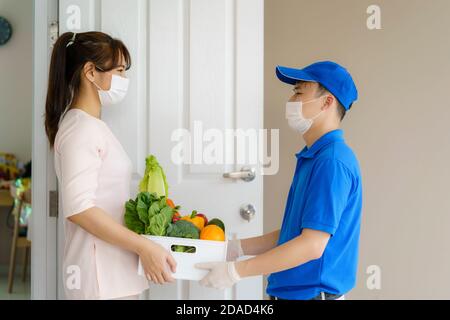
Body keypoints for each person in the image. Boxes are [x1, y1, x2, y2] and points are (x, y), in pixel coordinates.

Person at [196, 61, 362, 301]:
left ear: (327, 102)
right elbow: (295, 233)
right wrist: (236, 248)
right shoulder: (314, 156)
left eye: (298, 92)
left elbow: (311, 245)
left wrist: (236, 271)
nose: (291, 100)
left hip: (311, 296)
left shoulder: (332, 162)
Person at [44, 31, 176, 300]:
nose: (124, 80)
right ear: (90, 72)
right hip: (99, 278)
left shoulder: (92, 126)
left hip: (112, 273)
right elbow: (79, 209)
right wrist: (144, 247)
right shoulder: (81, 129)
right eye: (119, 70)